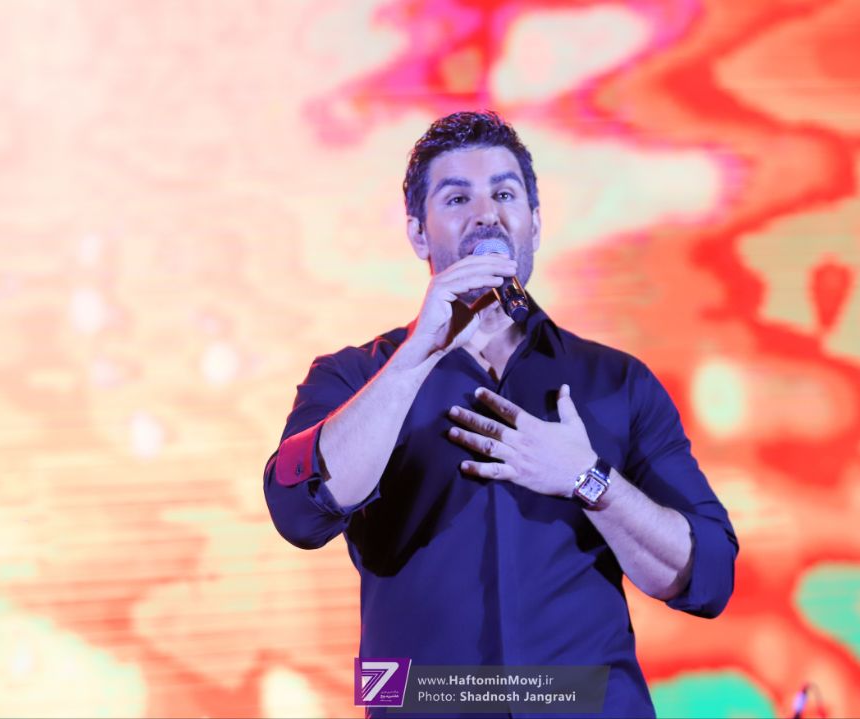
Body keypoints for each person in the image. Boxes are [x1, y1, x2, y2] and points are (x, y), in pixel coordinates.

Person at [264, 111, 737, 718]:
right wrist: (416, 359)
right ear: (418, 234)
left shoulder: (616, 383)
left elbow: (708, 576)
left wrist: (588, 479)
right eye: (457, 197)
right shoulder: (354, 376)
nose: (486, 214)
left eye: (505, 194)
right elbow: (297, 512)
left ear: (534, 223)